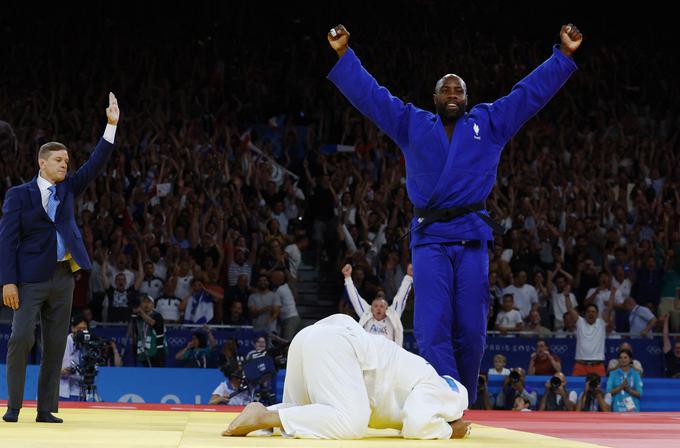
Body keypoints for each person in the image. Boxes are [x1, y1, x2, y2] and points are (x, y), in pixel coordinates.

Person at [326, 23, 582, 403]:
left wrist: (563, 55)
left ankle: (460, 395)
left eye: (457, 89)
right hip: (429, 240)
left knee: (473, 330)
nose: (451, 93)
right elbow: (374, 98)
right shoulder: (412, 123)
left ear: (466, 97)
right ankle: (443, 396)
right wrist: (345, 55)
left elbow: (527, 95)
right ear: (433, 97)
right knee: (431, 328)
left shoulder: (489, 123)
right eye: (445, 89)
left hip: (472, 238)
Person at [1, 93, 120, 424]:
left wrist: (111, 125)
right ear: (42, 162)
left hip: (63, 277)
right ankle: (12, 406)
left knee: (55, 344)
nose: (65, 164)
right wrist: (8, 281)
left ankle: (45, 409)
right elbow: (6, 241)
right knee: (21, 338)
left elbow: (95, 163)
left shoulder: (69, 189)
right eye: (59, 160)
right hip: (28, 279)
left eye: (67, 161)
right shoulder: (18, 195)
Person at [222, 314, 471, 439]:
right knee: (351, 423)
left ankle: (267, 415)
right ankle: (265, 415)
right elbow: (417, 423)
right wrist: (450, 432)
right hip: (336, 343)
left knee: (309, 410)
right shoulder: (446, 392)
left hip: (310, 337)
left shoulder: (425, 374)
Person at [343, 263, 413, 346]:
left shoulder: (394, 315)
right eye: (375, 306)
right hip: (370, 355)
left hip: (389, 356)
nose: (378, 309)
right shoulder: (366, 314)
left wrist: (409, 277)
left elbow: (401, 298)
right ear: (371, 309)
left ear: (387, 309)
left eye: (382, 306)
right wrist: (347, 278)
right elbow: (355, 299)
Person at [567, 300, 612, 377]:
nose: (591, 313)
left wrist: (613, 294)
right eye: (588, 311)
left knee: (600, 389)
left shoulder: (601, 323)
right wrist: (567, 296)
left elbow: (610, 308)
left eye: (593, 312)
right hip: (580, 365)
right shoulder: (580, 322)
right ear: (585, 314)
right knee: (575, 388)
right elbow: (570, 309)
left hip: (597, 366)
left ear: (597, 314)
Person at [131, 295, 167, 367]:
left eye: (148, 302)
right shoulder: (138, 318)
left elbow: (152, 322)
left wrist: (140, 312)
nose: (146, 304)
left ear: (153, 305)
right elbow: (134, 335)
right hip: (144, 352)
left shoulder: (157, 315)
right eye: (144, 302)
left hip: (157, 352)